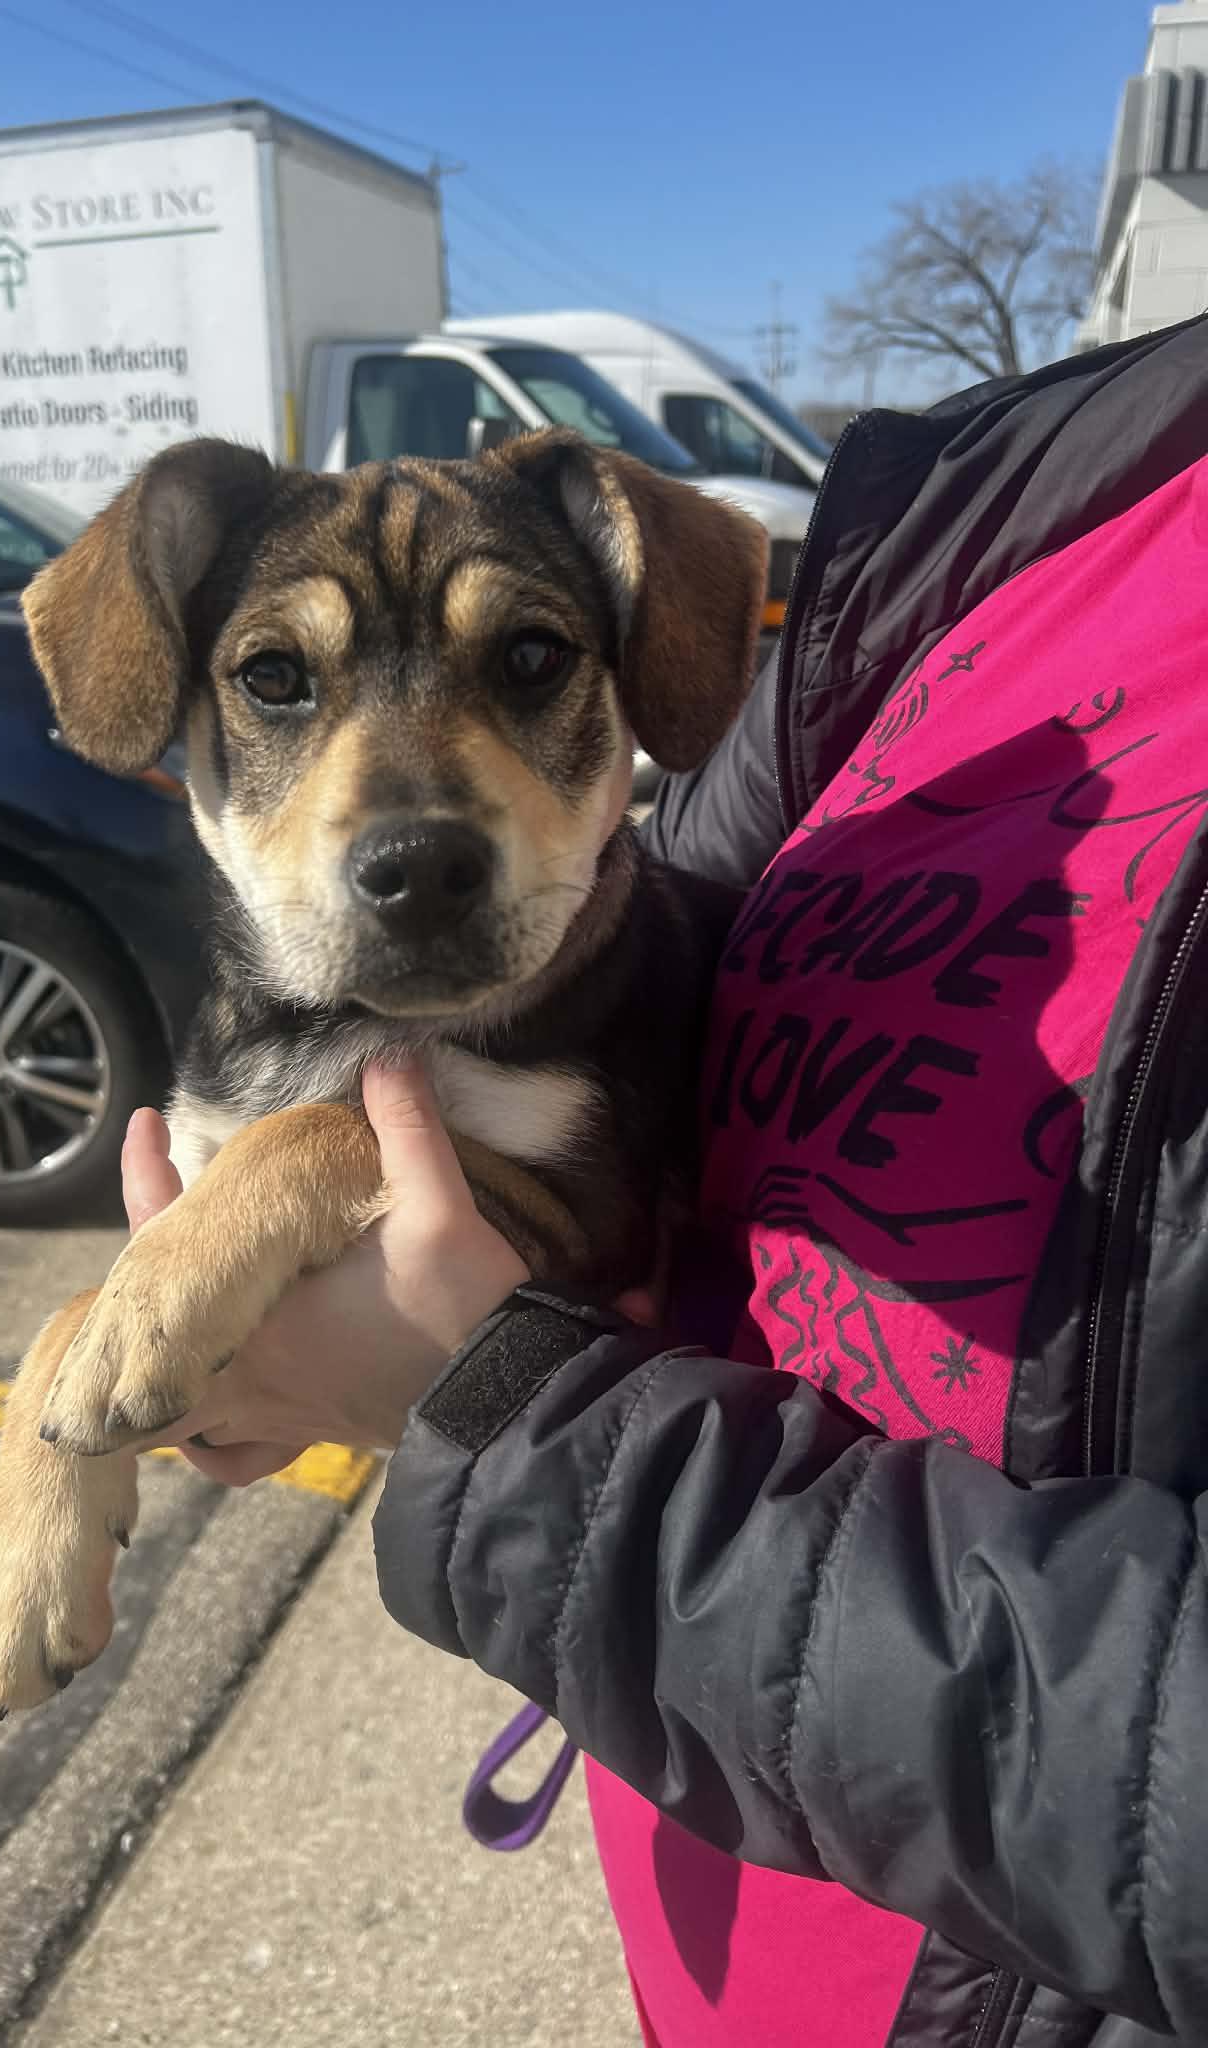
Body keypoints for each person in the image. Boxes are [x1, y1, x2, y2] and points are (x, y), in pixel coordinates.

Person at [122, 312, 1208, 2047]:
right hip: (703, 1886)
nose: (411, 799)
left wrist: (506, 1408)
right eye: (278, 678)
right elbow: (679, 923)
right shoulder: (1008, 492)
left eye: (528, 662)